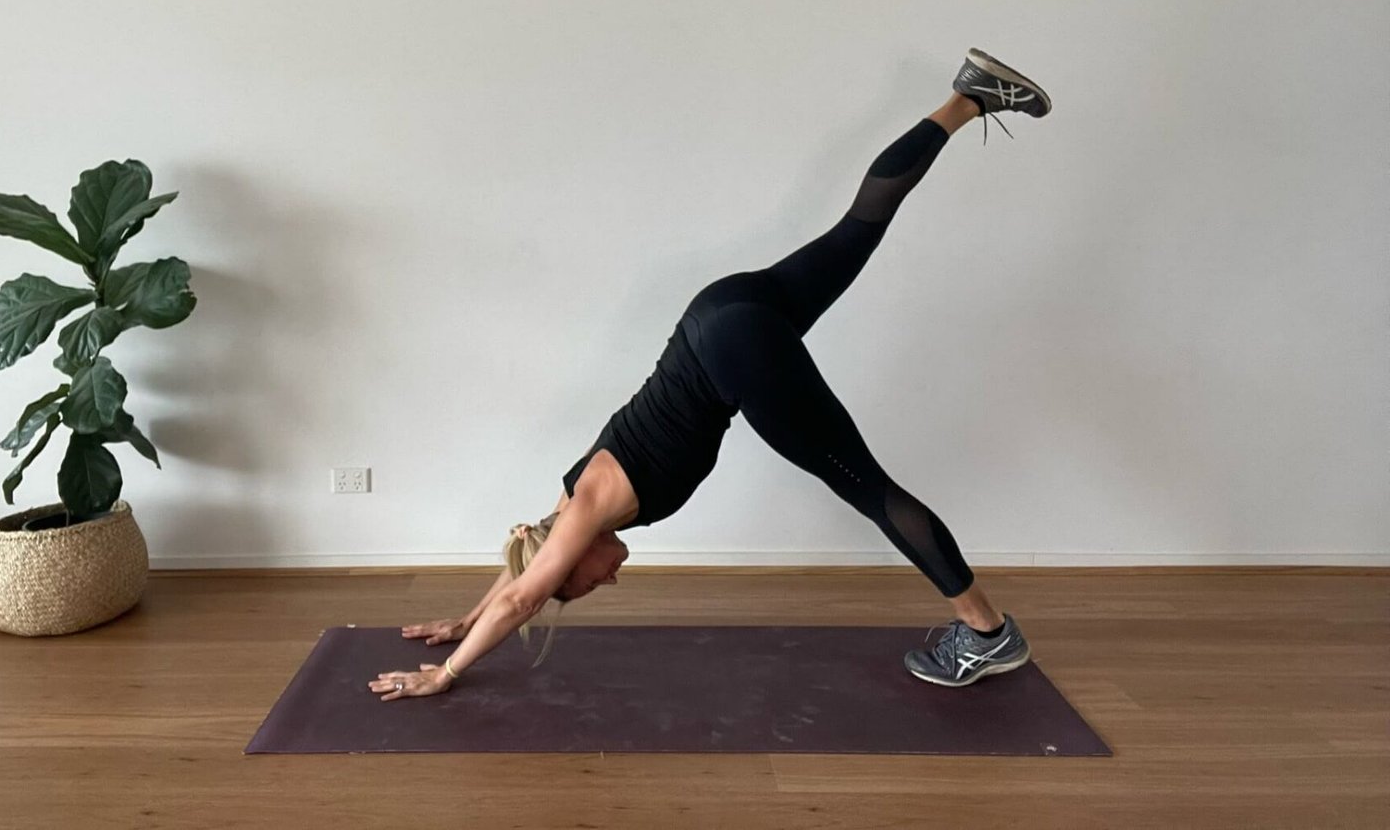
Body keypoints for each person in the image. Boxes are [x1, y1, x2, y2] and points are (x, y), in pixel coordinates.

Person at [371, 49, 1051, 702]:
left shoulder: (585, 512)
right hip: (717, 309)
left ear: (571, 556)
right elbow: (522, 567)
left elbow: (525, 592)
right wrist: (463, 619)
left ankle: (988, 632)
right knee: (857, 227)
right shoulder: (568, 503)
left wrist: (447, 672)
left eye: (581, 585)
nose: (602, 582)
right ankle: (967, 97)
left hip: (735, 349)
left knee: (869, 489)